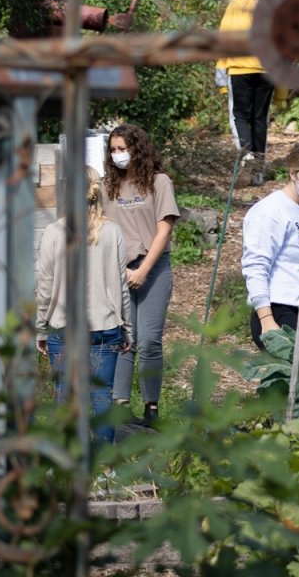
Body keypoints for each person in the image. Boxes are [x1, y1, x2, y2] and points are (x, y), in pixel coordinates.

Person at [35, 168, 131, 443]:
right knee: (102, 396)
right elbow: (122, 288)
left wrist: (41, 329)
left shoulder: (53, 233)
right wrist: (128, 330)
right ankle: (106, 469)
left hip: (63, 326)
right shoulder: (113, 232)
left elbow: (44, 288)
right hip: (106, 325)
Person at [101, 124, 178, 426]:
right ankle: (120, 403)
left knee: (149, 340)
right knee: (124, 337)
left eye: (123, 149)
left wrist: (144, 269)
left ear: (138, 149)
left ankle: (151, 407)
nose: (118, 155)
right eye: (114, 150)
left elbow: (165, 227)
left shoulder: (159, 183)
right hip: (118, 268)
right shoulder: (109, 187)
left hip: (153, 268)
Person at [242, 142, 299, 350]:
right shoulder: (271, 210)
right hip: (277, 309)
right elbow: (256, 265)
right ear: (292, 174)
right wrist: (266, 318)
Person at [217, 0, 274, 184]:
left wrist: (221, 71)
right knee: (260, 119)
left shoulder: (236, 2)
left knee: (240, 115)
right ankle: (258, 172)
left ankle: (247, 154)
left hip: (239, 66)